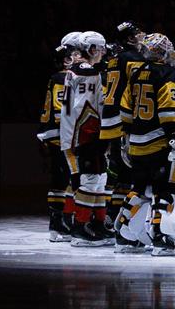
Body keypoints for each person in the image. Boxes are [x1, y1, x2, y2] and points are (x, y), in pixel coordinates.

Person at [118, 33, 175, 255]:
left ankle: (122, 233)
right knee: (164, 189)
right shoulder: (171, 74)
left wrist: (129, 135)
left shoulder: (136, 73)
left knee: (139, 188)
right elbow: (173, 113)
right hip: (161, 142)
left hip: (137, 142)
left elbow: (125, 110)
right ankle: (160, 235)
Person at [62, 31, 111, 247]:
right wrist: (96, 133)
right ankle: (80, 228)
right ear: (91, 48)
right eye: (99, 48)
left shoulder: (81, 70)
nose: (102, 53)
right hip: (86, 134)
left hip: (86, 133)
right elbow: (84, 108)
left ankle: (98, 225)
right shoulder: (85, 70)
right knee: (90, 180)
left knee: (99, 180)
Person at [100, 21, 146, 227]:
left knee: (117, 172)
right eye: (137, 33)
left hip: (109, 119)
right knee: (128, 172)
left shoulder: (115, 59)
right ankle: (120, 217)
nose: (141, 35)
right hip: (124, 120)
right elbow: (138, 90)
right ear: (129, 39)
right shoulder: (134, 59)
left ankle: (112, 215)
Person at [39, 43, 76, 242]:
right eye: (73, 55)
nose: (78, 57)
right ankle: (58, 223)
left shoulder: (58, 77)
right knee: (62, 179)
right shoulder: (62, 78)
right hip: (61, 134)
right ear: (65, 60)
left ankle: (59, 222)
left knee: (62, 179)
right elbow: (61, 107)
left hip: (57, 133)